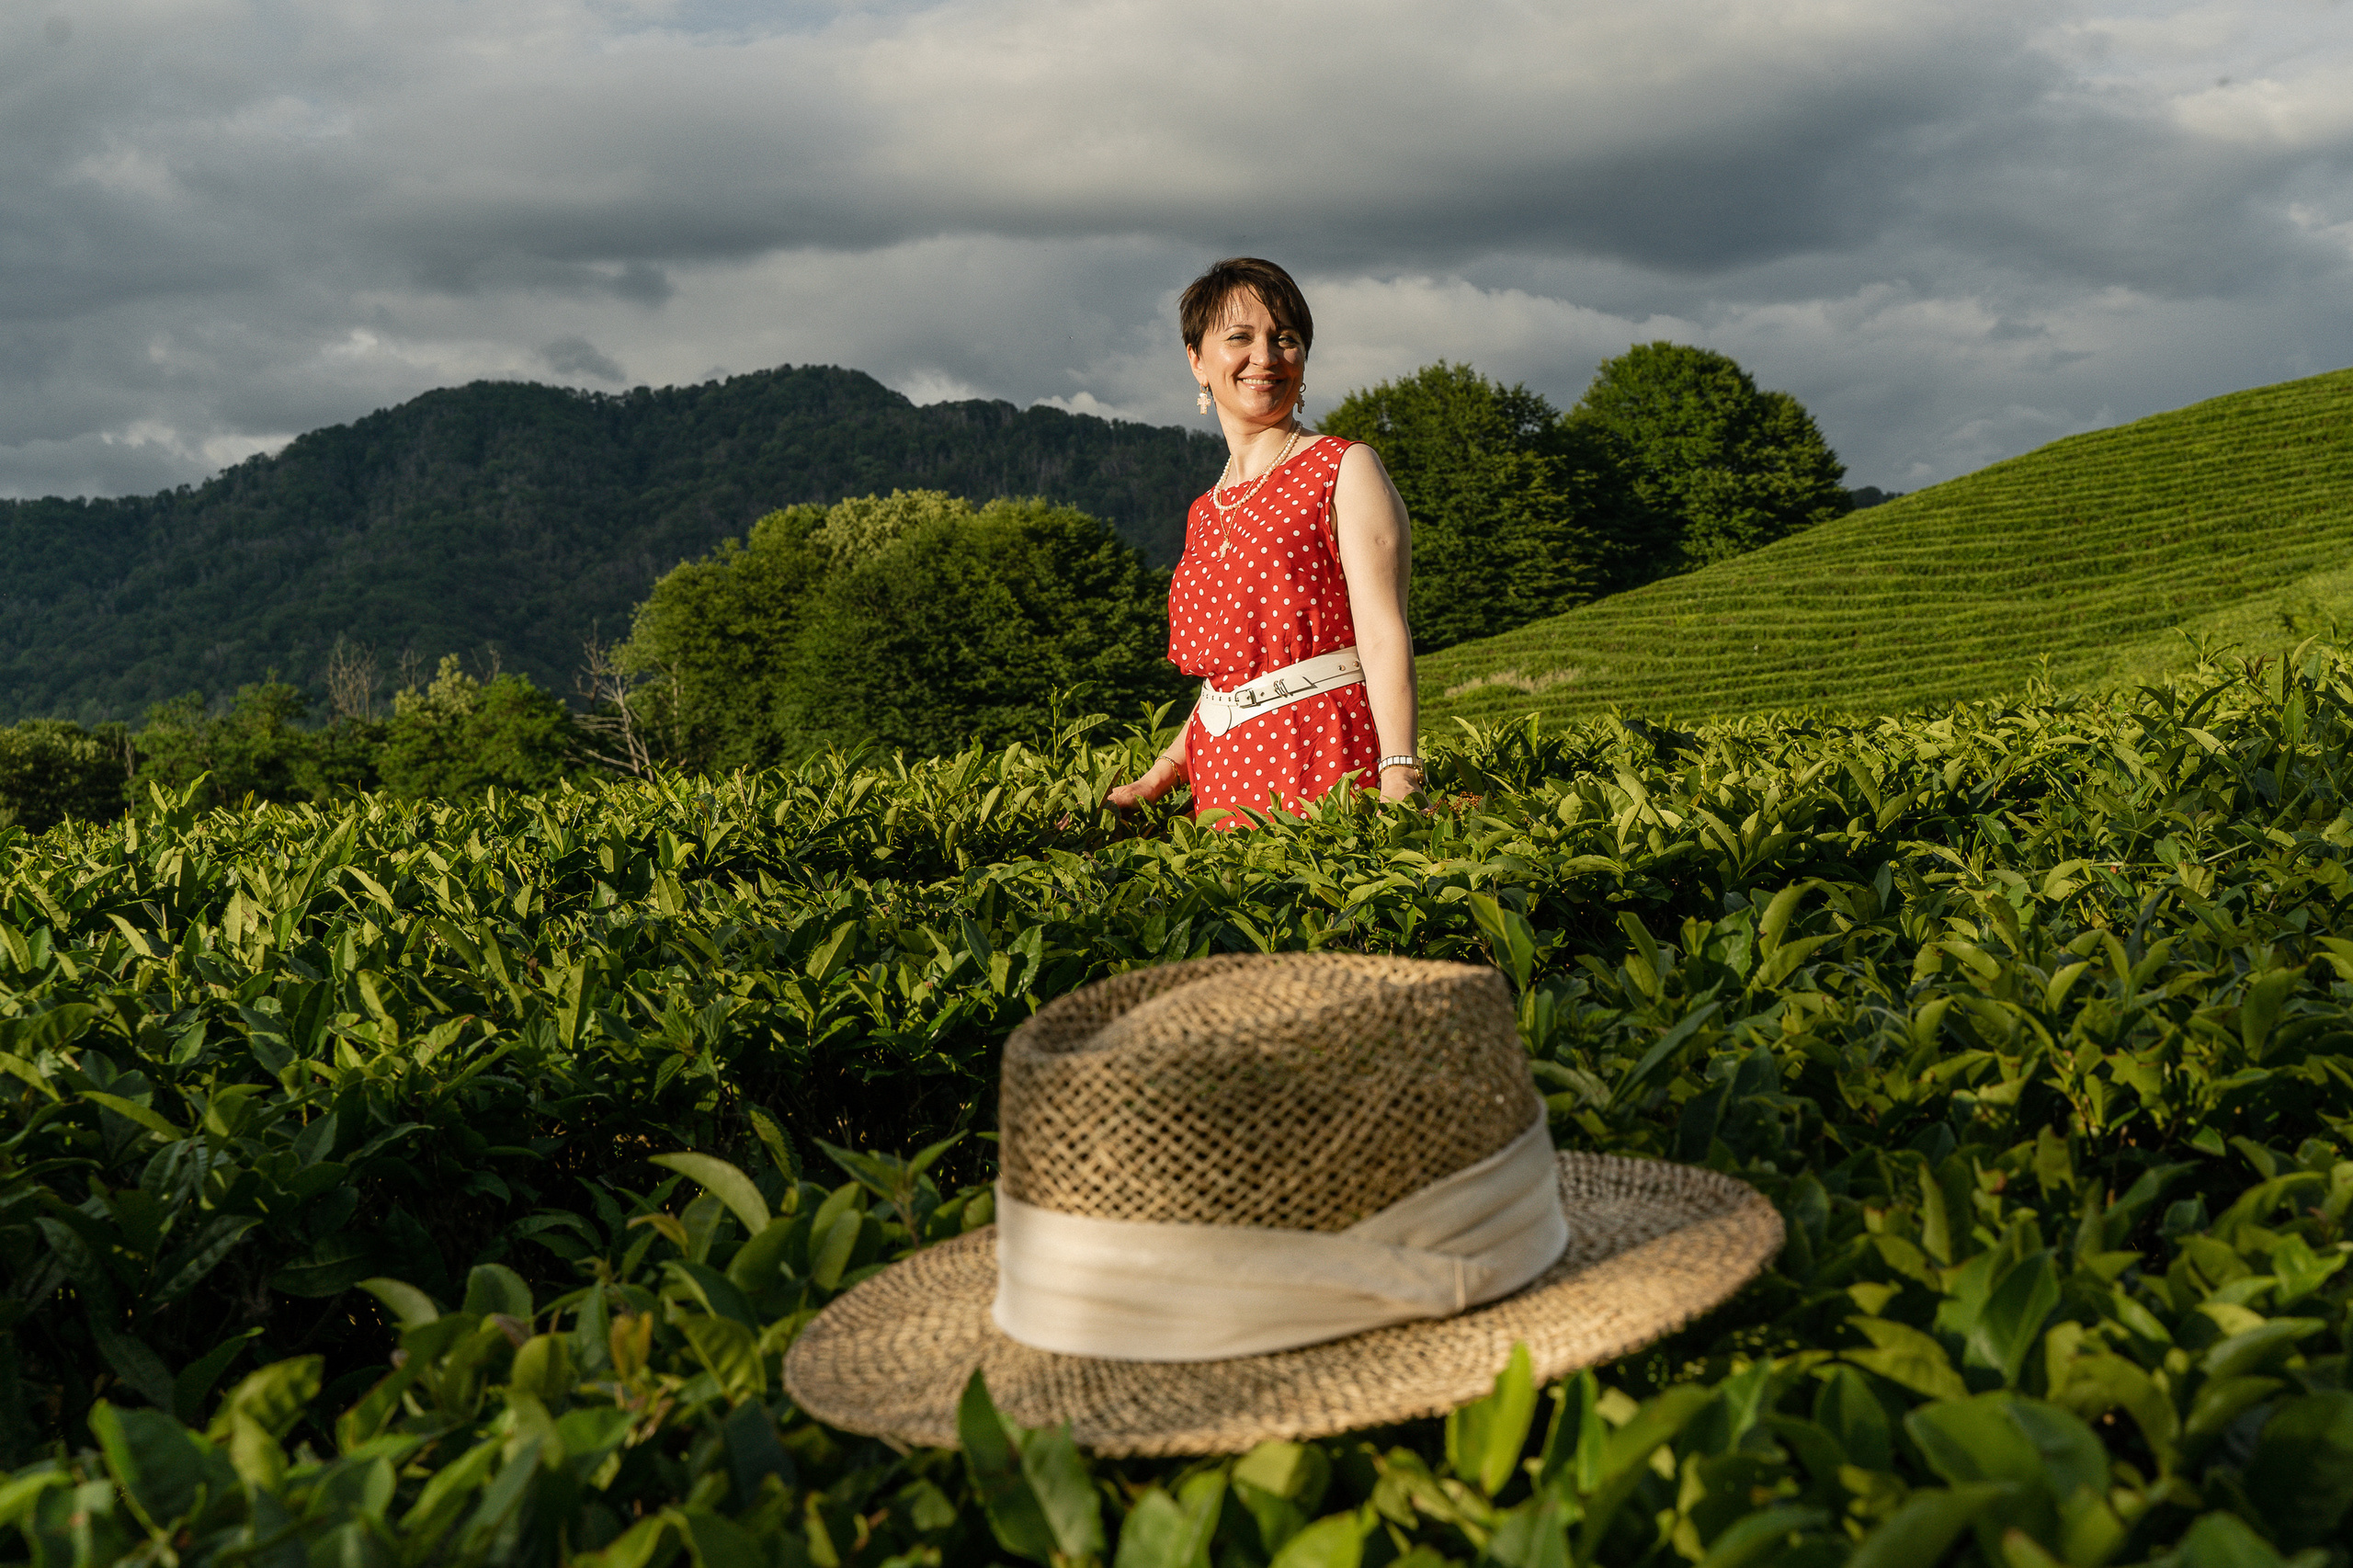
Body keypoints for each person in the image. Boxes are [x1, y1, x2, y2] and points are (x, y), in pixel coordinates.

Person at [1106, 257, 1423, 827]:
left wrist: (1399, 769)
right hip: (1222, 768)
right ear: (1197, 361)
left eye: (1286, 339)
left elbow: (1381, 631)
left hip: (1323, 750)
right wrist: (1161, 772)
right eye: (1240, 338)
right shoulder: (1206, 509)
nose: (1267, 357)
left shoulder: (1343, 467)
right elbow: (1230, 677)